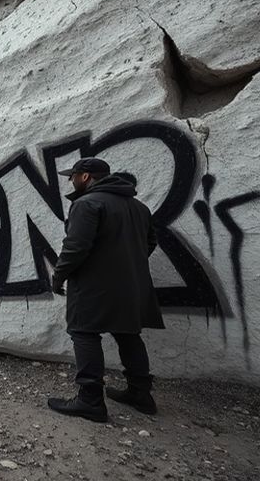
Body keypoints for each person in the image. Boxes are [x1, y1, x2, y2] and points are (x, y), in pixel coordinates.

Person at [47, 157, 163, 422]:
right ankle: (141, 395)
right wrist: (126, 263)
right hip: (132, 285)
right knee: (128, 334)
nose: (71, 181)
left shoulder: (86, 203)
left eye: (73, 176)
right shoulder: (139, 207)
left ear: (85, 176)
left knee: (83, 332)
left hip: (93, 285)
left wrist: (58, 276)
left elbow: (75, 247)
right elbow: (151, 242)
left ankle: (90, 401)